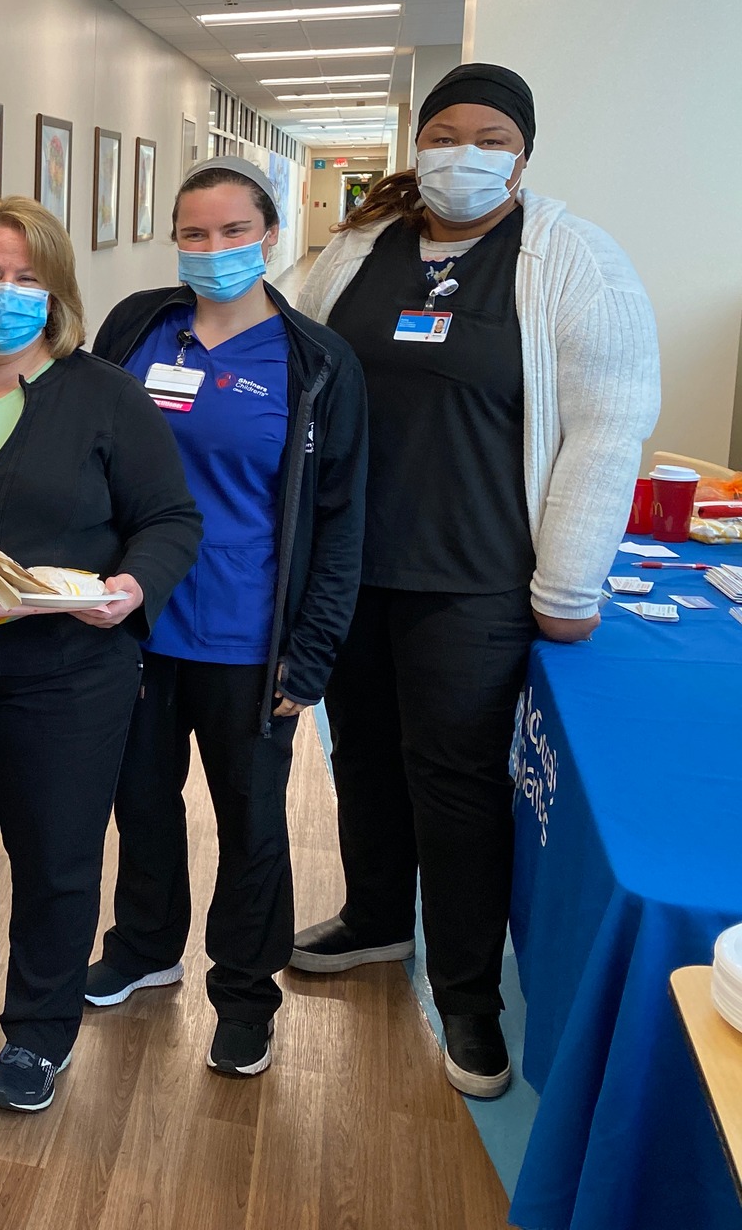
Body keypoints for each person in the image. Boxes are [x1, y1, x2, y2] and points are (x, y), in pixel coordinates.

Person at [290, 63, 659, 1098]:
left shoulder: (569, 259)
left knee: (454, 783)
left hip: (475, 577)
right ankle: (374, 918)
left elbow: (606, 427)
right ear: (418, 144)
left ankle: (466, 996)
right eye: (445, 134)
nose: (465, 154)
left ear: (523, 155)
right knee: (362, 755)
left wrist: (569, 586)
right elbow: (300, 374)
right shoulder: (362, 247)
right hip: (353, 565)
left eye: (490, 138)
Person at [0, 197, 202, 1112]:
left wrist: (133, 588)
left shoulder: (103, 394)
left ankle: (40, 1031)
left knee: (56, 856)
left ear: (56, 292)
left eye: (26, 279)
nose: (4, 294)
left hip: (68, 673)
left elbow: (170, 518)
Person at [85, 156, 368, 1079]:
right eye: (194, 234)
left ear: (270, 236)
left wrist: (311, 654)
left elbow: (340, 522)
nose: (213, 249)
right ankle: (144, 946)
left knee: (251, 823)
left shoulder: (316, 363)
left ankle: (245, 995)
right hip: (135, 622)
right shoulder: (139, 327)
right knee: (140, 799)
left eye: (234, 231)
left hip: (248, 637)